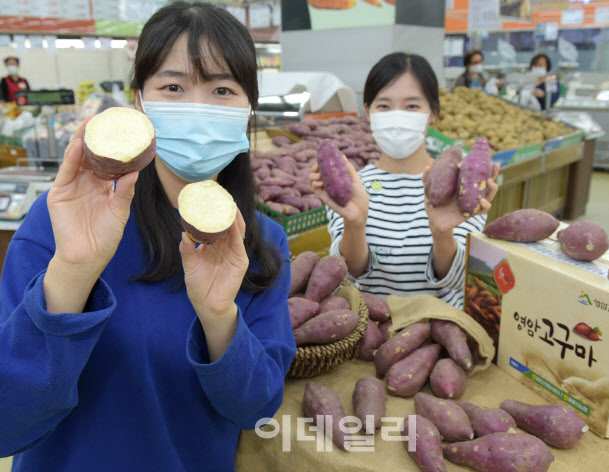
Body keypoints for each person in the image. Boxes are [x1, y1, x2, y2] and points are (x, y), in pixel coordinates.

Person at [0, 2, 296, 471]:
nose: (197, 107)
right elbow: (5, 424)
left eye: (222, 88)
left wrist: (219, 316)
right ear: (140, 101)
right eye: (173, 86)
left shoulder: (260, 244)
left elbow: (255, 409)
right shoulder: (61, 224)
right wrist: (73, 273)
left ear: (248, 109)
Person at [311, 53, 499, 310]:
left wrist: (442, 233)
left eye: (411, 106)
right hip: (370, 334)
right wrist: (354, 223)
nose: (397, 117)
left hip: (440, 334)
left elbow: (461, 280)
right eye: (384, 106)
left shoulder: (462, 185)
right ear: (368, 112)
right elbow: (348, 273)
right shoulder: (352, 185)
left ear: (433, 113)